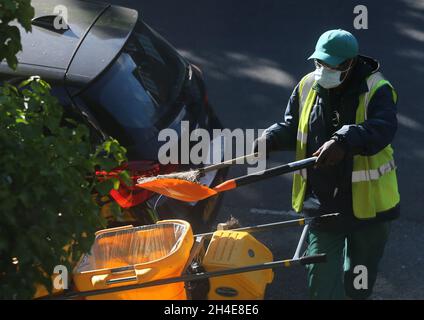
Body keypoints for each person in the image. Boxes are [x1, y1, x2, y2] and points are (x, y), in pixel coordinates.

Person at [253, 29, 400, 299]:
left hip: (369, 211)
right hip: (323, 205)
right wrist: (271, 138)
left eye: (334, 65)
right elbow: (294, 125)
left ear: (351, 63)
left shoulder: (377, 89)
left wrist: (344, 141)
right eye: (320, 63)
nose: (325, 69)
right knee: (320, 285)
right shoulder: (308, 84)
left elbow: (382, 128)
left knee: (357, 284)